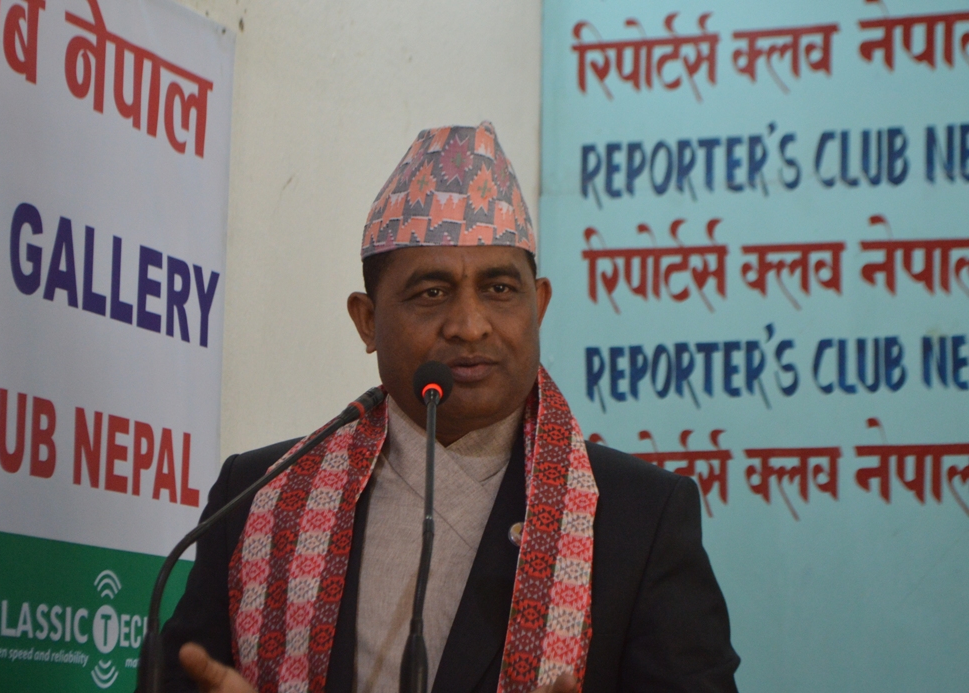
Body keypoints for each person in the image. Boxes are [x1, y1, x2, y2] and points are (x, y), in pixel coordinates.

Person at [158, 122, 740, 693]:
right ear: (367, 320)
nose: (469, 325)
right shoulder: (259, 497)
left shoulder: (639, 517)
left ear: (538, 307)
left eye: (499, 290)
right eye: (431, 293)